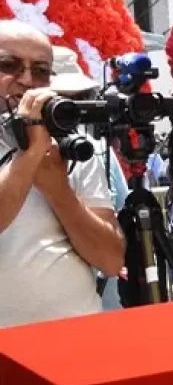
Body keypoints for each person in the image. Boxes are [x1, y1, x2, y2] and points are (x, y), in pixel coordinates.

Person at [0, 21, 123, 327]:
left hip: (75, 334)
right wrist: (30, 157)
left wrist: (58, 189)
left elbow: (110, 260)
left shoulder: (75, 146)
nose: (27, 80)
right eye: (9, 65)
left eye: (41, 70)